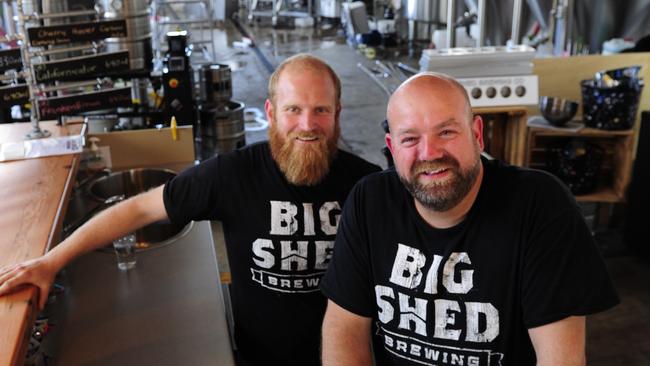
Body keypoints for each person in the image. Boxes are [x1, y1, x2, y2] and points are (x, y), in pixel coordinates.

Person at [0, 54, 380, 366]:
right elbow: (137, 211)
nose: (307, 125)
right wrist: (51, 261)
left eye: (321, 110)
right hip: (258, 359)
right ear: (270, 112)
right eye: (293, 109)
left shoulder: (366, 185)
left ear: (338, 113)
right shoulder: (231, 175)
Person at [320, 72, 619, 365]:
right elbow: (343, 327)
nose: (429, 153)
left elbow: (561, 358)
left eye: (446, 132)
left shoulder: (540, 205)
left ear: (477, 134)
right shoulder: (369, 201)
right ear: (392, 146)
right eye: (410, 139)